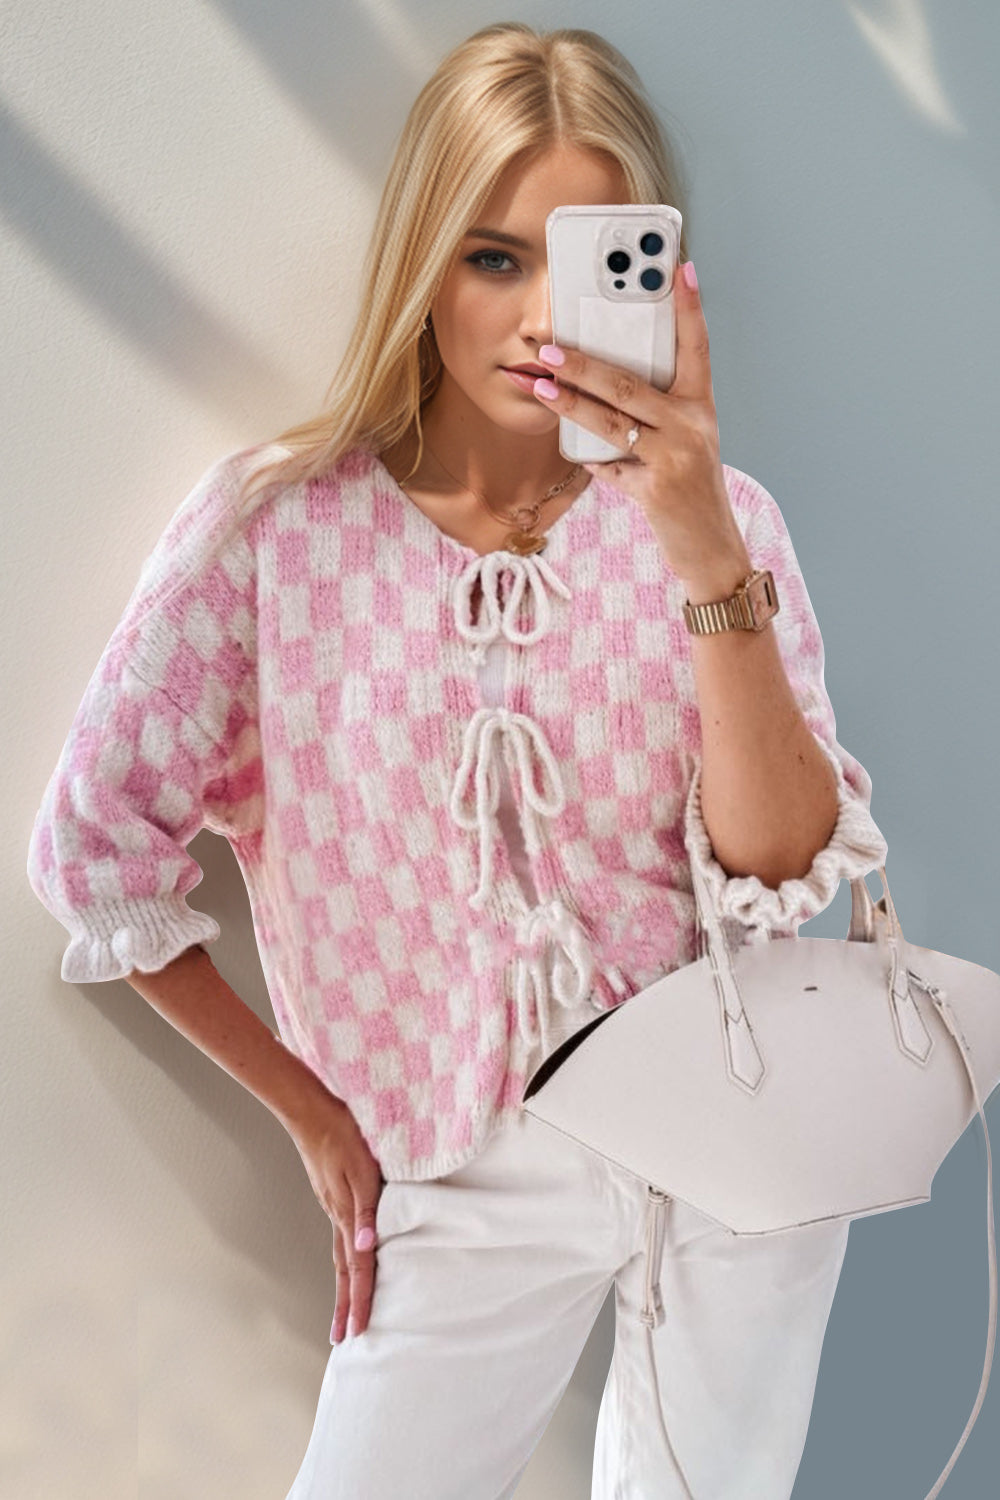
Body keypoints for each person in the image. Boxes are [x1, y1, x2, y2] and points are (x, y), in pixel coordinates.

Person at [26, 21, 890, 1500]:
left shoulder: (720, 516)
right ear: (425, 263)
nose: (543, 315)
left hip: (735, 1137)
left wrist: (697, 542)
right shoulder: (277, 532)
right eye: (494, 257)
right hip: (455, 1165)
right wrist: (311, 1112)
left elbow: (781, 874)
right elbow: (94, 851)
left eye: (587, 261)